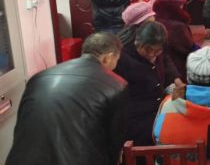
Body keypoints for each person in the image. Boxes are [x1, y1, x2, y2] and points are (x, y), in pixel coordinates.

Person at [7, 33, 128, 165]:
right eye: (116, 60)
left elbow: (22, 124)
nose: (115, 66)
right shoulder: (116, 85)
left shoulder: (39, 78)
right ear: (108, 58)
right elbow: (114, 142)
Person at [114, 21, 184, 146]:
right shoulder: (121, 58)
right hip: (135, 120)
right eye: (148, 50)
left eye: (157, 51)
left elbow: (166, 60)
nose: (152, 54)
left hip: (157, 113)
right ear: (137, 42)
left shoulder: (160, 50)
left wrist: (176, 79)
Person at [153, 0, 194, 80]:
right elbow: (187, 47)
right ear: (180, 4)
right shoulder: (178, 26)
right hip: (178, 67)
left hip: (162, 67)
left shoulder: (155, 17)